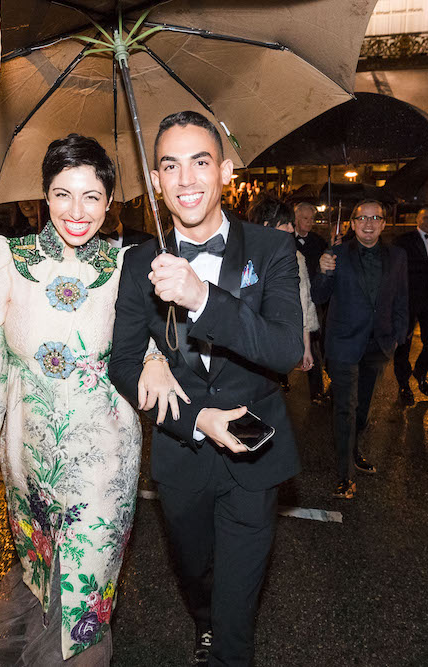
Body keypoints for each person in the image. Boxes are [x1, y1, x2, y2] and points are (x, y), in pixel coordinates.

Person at [0, 134, 182, 665]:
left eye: (92, 196)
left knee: (84, 591)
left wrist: (156, 358)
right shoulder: (5, 262)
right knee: (42, 569)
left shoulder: (129, 265)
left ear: (110, 201)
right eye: (62, 194)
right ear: (44, 196)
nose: (77, 211)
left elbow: (148, 336)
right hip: (29, 459)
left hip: (105, 459)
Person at [108, 111, 303, 666]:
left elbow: (286, 350)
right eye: (170, 166)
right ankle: (204, 621)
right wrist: (194, 417)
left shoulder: (271, 249)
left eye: (200, 162)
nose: (186, 179)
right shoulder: (139, 262)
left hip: (254, 454)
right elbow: (122, 362)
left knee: (237, 614)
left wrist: (202, 298)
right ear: (156, 180)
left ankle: (225, 638)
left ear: (225, 171)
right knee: (196, 573)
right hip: (182, 455)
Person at [312, 199, 408, 500]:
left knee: (363, 408)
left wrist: (398, 336)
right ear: (352, 224)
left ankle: (354, 452)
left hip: (379, 344)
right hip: (343, 343)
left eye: (375, 218)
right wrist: (323, 271)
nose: (369, 223)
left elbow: (402, 297)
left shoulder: (397, 256)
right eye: (362, 218)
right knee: (345, 408)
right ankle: (345, 476)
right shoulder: (336, 254)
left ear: (384, 224)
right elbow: (318, 295)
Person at [248, 195, 318, 386]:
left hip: (276, 340)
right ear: (266, 225)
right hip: (246, 341)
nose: (291, 229)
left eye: (292, 224)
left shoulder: (295, 258)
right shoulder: (241, 254)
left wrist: (306, 348)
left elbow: (302, 303)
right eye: (285, 224)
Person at [392, 206, 428, 405]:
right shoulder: (404, 240)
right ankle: (403, 384)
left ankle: (420, 372)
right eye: (426, 217)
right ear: (417, 218)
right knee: (403, 343)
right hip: (408, 297)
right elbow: (401, 265)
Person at [293, 202, 331, 405]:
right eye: (305, 218)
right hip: (292, 299)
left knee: (317, 343)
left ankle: (317, 390)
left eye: (312, 219)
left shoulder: (318, 241)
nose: (310, 222)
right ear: (296, 219)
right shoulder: (286, 240)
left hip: (313, 298)